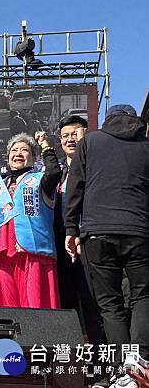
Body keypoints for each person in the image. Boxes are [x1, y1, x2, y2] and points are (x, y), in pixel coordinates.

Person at [65, 105, 149, 388]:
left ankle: (122, 371)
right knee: (142, 297)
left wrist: (70, 228)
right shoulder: (146, 145)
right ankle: (140, 361)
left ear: (106, 120)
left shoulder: (90, 142)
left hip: (97, 232)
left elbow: (75, 185)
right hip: (140, 231)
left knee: (110, 305)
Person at [53, 115, 107, 386]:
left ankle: (100, 369)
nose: (70, 139)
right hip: (62, 251)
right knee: (67, 309)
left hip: (89, 245)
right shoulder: (58, 174)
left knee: (93, 308)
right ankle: (71, 370)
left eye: (75, 133)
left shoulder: (98, 168)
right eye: (65, 136)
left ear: (87, 135)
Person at [0, 132, 62, 308]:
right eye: (14, 150)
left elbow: (54, 172)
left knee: (35, 307)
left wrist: (45, 146)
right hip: (1, 252)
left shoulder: (40, 180)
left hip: (32, 252)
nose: (18, 153)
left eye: (24, 150)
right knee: (1, 309)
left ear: (34, 158)